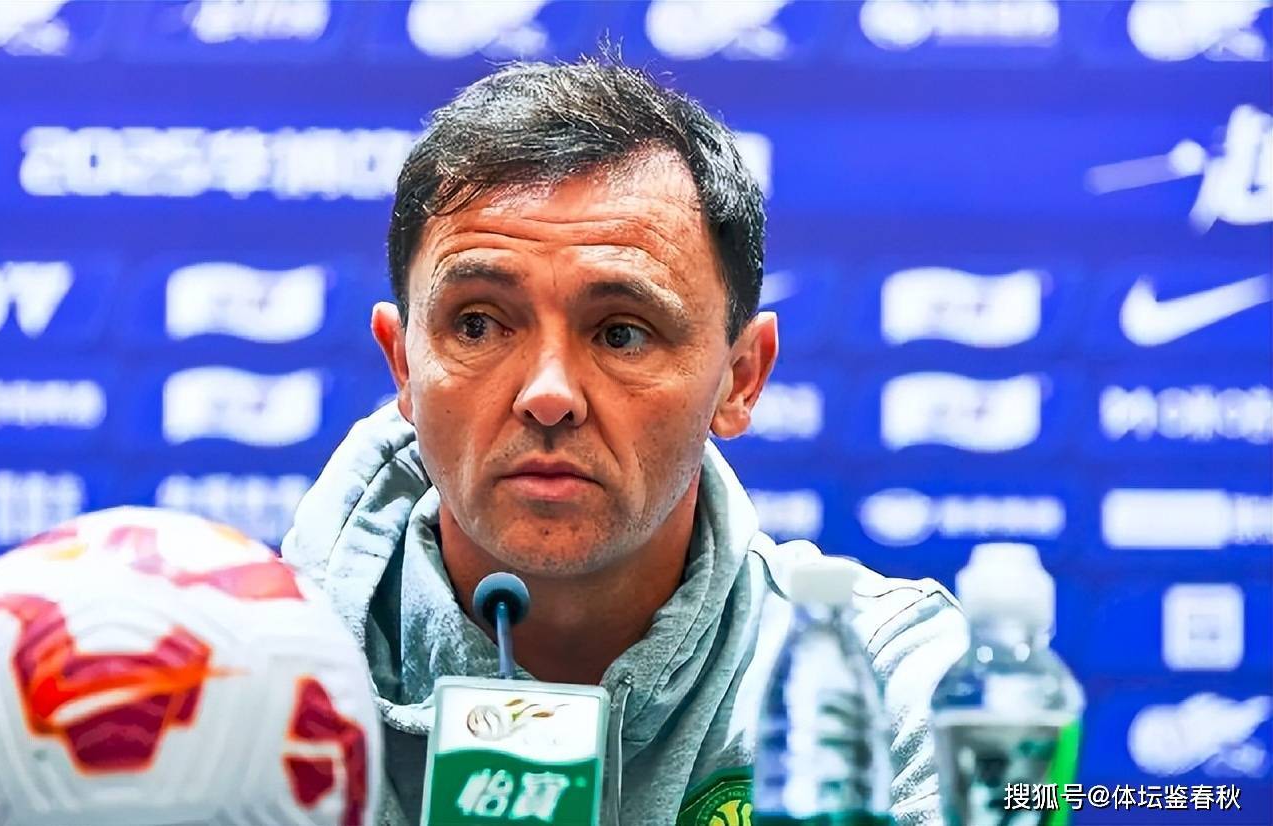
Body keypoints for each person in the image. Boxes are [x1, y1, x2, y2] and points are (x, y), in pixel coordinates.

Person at [283, 57, 968, 826]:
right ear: (404, 364)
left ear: (741, 378)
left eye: (621, 333)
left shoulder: (884, 683)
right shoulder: (234, 682)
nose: (548, 394)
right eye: (477, 324)